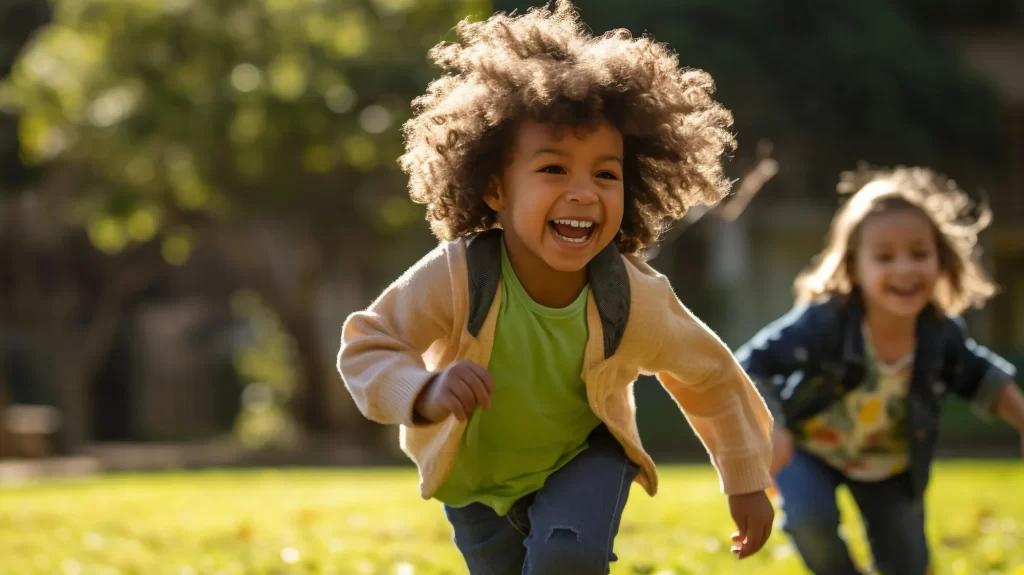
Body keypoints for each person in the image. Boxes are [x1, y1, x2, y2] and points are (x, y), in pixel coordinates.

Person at [337, 2, 776, 573]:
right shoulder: (460, 276)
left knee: (567, 556)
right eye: (553, 170)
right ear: (494, 188)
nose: (583, 193)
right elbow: (367, 344)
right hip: (477, 479)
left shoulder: (632, 297)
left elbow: (710, 375)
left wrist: (744, 477)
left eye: (605, 174)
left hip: (585, 453)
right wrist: (422, 389)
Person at [736, 165, 1024, 575]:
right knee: (810, 524)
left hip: (889, 465)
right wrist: (772, 426)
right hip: (809, 449)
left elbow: (984, 378)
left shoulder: (939, 335)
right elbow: (750, 362)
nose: (905, 268)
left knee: (906, 565)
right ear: (855, 266)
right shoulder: (826, 321)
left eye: (919, 254)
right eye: (885, 256)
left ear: (940, 260)